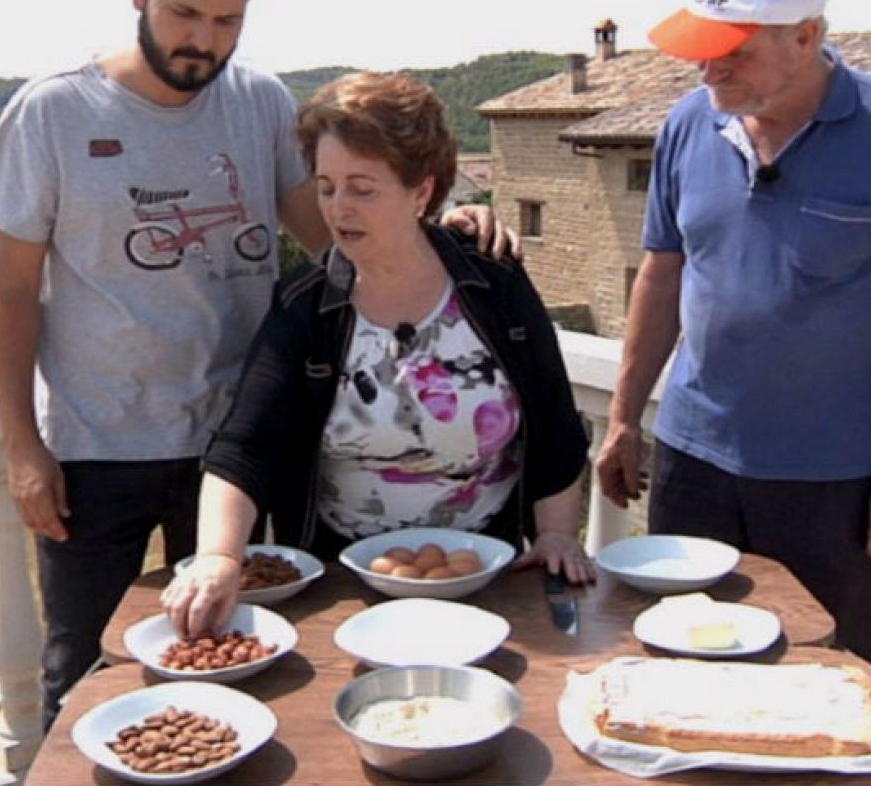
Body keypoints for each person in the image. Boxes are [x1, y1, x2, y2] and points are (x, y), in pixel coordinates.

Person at [0, 0, 513, 728]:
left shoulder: (258, 104)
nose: (203, 41)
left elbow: (338, 236)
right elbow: (7, 294)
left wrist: (442, 228)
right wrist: (21, 448)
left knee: (236, 663)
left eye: (228, 21)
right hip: (95, 453)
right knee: (83, 670)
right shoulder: (53, 114)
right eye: (184, 13)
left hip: (240, 457)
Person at [594, 0, 871, 664]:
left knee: (820, 676)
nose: (709, 71)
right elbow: (661, 277)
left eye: (732, 54)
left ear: (805, 37)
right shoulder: (687, 125)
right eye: (701, 52)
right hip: (692, 464)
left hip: (834, 482)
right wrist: (623, 419)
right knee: (680, 664)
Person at [162, 72, 595, 639]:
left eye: (362, 189)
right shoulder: (306, 304)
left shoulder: (494, 283)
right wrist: (218, 556)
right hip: (342, 589)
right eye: (326, 187)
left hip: (487, 577)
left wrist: (557, 534)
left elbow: (554, 421)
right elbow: (245, 445)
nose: (338, 209)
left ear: (421, 191)